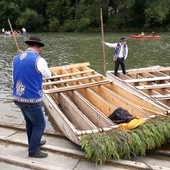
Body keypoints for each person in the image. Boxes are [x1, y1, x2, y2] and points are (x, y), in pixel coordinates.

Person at [12, 36, 51, 158]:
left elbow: (13, 77)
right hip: (31, 99)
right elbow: (48, 75)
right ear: (38, 47)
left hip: (18, 97)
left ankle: (34, 142)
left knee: (30, 123)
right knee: (40, 124)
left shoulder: (16, 58)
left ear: (29, 45)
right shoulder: (39, 60)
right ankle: (33, 151)